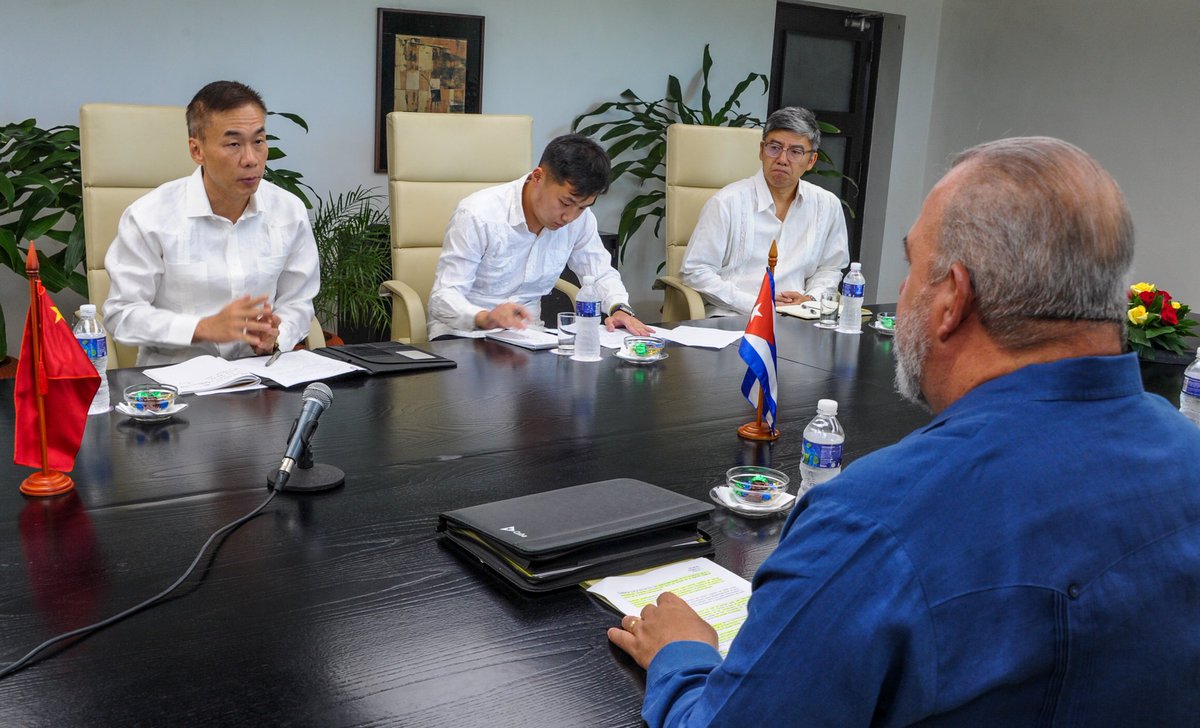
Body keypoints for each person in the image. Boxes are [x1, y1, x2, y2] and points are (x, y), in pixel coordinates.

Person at [608, 137, 1200, 725]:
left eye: (913, 264)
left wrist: (682, 657)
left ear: (952, 301)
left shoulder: (869, 521)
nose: (902, 289)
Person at [104, 80, 319, 366]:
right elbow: (122, 315)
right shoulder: (149, 217)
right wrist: (201, 328)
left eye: (258, 141)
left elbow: (299, 302)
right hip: (176, 384)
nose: (251, 159)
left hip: (260, 379)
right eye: (233, 144)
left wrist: (279, 333)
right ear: (197, 151)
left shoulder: (288, 211)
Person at [427, 134, 652, 340]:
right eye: (565, 203)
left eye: (582, 207)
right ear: (537, 177)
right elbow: (443, 297)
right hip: (464, 335)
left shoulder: (581, 220)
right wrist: (486, 317)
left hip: (528, 337)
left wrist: (619, 308)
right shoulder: (477, 214)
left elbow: (599, 272)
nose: (569, 217)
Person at [679, 106, 849, 317]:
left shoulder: (827, 205)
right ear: (761, 150)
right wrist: (757, 303)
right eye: (774, 147)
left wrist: (811, 298)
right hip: (736, 319)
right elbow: (696, 271)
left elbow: (830, 268)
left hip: (799, 319)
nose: (782, 159)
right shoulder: (727, 202)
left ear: (811, 161)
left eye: (795, 152)